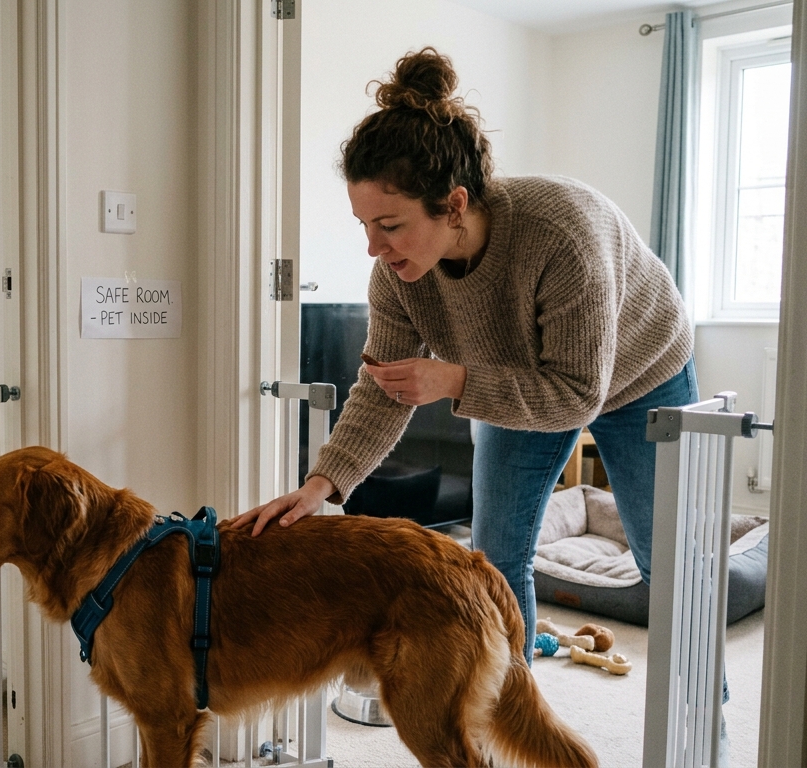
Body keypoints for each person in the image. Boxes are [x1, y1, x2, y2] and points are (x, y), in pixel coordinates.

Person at [235, 49, 698, 662]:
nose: (374, 246)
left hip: (642, 374)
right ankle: (510, 725)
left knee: (666, 567)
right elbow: (382, 388)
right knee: (497, 559)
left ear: (453, 205)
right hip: (514, 379)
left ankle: (705, 720)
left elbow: (576, 394)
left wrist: (452, 379)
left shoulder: (563, 236)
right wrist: (323, 484)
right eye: (364, 224)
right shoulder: (398, 276)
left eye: (391, 225)